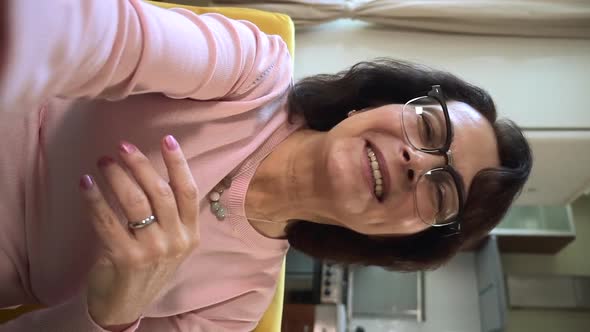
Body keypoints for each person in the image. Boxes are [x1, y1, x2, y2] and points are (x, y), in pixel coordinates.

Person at [0, 0, 532, 331]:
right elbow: (109, 36)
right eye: (430, 129)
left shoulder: (237, 305)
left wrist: (114, 312)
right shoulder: (253, 71)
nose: (418, 162)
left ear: (399, 238)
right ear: (375, 103)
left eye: (442, 194)